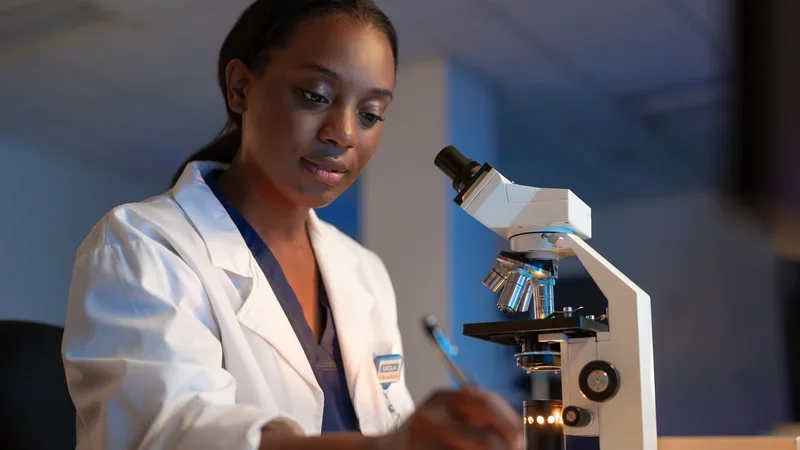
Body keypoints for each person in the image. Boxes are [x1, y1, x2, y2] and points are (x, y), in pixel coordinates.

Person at [62, 1, 523, 449]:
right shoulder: (143, 246)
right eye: (316, 96)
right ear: (240, 87)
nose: (342, 133)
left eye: (369, 115)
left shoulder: (363, 270)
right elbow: (173, 435)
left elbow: (388, 421)